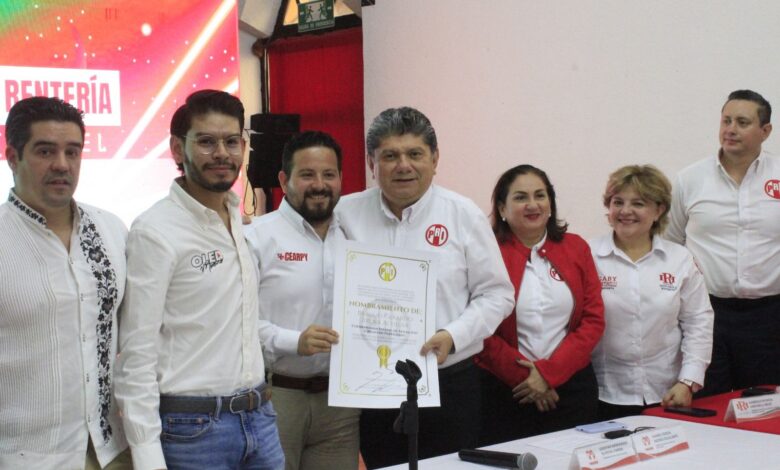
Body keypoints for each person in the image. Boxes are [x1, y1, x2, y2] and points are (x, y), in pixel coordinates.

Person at [335, 107, 514, 468]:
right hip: (373, 386)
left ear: (435, 159)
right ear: (372, 163)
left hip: (449, 382)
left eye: (415, 154)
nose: (403, 166)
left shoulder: (462, 214)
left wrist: (453, 335)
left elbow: (498, 294)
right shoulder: (344, 213)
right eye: (390, 156)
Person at [114, 90, 284, 470]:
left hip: (259, 418)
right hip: (192, 430)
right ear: (178, 149)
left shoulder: (236, 217)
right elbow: (137, 355)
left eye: (231, 142)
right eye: (206, 142)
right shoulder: (156, 231)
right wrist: (147, 456)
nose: (222, 153)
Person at [0, 97, 132, 469]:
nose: (62, 164)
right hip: (26, 456)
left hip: (114, 450)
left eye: (72, 152)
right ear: (13, 157)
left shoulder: (111, 229)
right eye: (45, 151)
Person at [245, 131, 360, 470]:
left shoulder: (356, 237)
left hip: (340, 403)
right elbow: (236, 322)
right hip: (276, 395)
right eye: (307, 174)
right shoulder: (256, 238)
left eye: (329, 174)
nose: (319, 185)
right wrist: (294, 341)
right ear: (284, 180)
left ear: (340, 178)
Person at [475, 164, 605, 444]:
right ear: (502, 208)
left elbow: (593, 321)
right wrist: (527, 377)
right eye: (520, 197)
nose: (532, 205)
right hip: (506, 391)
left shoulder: (576, 247)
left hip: (572, 390)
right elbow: (478, 327)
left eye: (540, 195)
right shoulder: (485, 253)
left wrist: (548, 374)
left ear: (551, 203)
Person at [666, 89, 780, 395]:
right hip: (706, 313)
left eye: (742, 122)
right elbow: (671, 245)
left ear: (765, 131)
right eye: (726, 120)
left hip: (769, 317)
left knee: (764, 406)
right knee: (708, 401)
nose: (730, 129)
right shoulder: (690, 179)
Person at [589, 165, 713, 420]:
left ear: (659, 210)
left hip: (668, 392)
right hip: (602, 391)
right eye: (618, 202)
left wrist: (688, 381)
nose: (626, 211)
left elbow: (698, 322)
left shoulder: (680, 259)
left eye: (638, 203)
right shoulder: (588, 255)